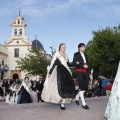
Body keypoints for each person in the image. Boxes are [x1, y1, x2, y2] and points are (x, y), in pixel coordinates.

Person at [41, 43, 76, 110]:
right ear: (59, 48)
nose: (64, 48)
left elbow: (68, 64)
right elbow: (53, 64)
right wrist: (50, 72)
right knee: (59, 87)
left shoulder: (66, 56)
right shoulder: (57, 54)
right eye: (62, 47)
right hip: (58, 72)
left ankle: (63, 101)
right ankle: (61, 102)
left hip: (65, 73)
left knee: (65, 87)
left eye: (65, 47)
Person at [73, 43, 93, 109]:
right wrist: (82, 65)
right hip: (79, 72)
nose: (84, 48)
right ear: (79, 48)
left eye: (84, 47)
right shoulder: (76, 54)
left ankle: (77, 97)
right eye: (83, 47)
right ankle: (84, 104)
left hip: (85, 73)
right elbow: (75, 63)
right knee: (81, 87)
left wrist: (90, 74)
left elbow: (88, 66)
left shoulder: (86, 55)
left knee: (86, 87)